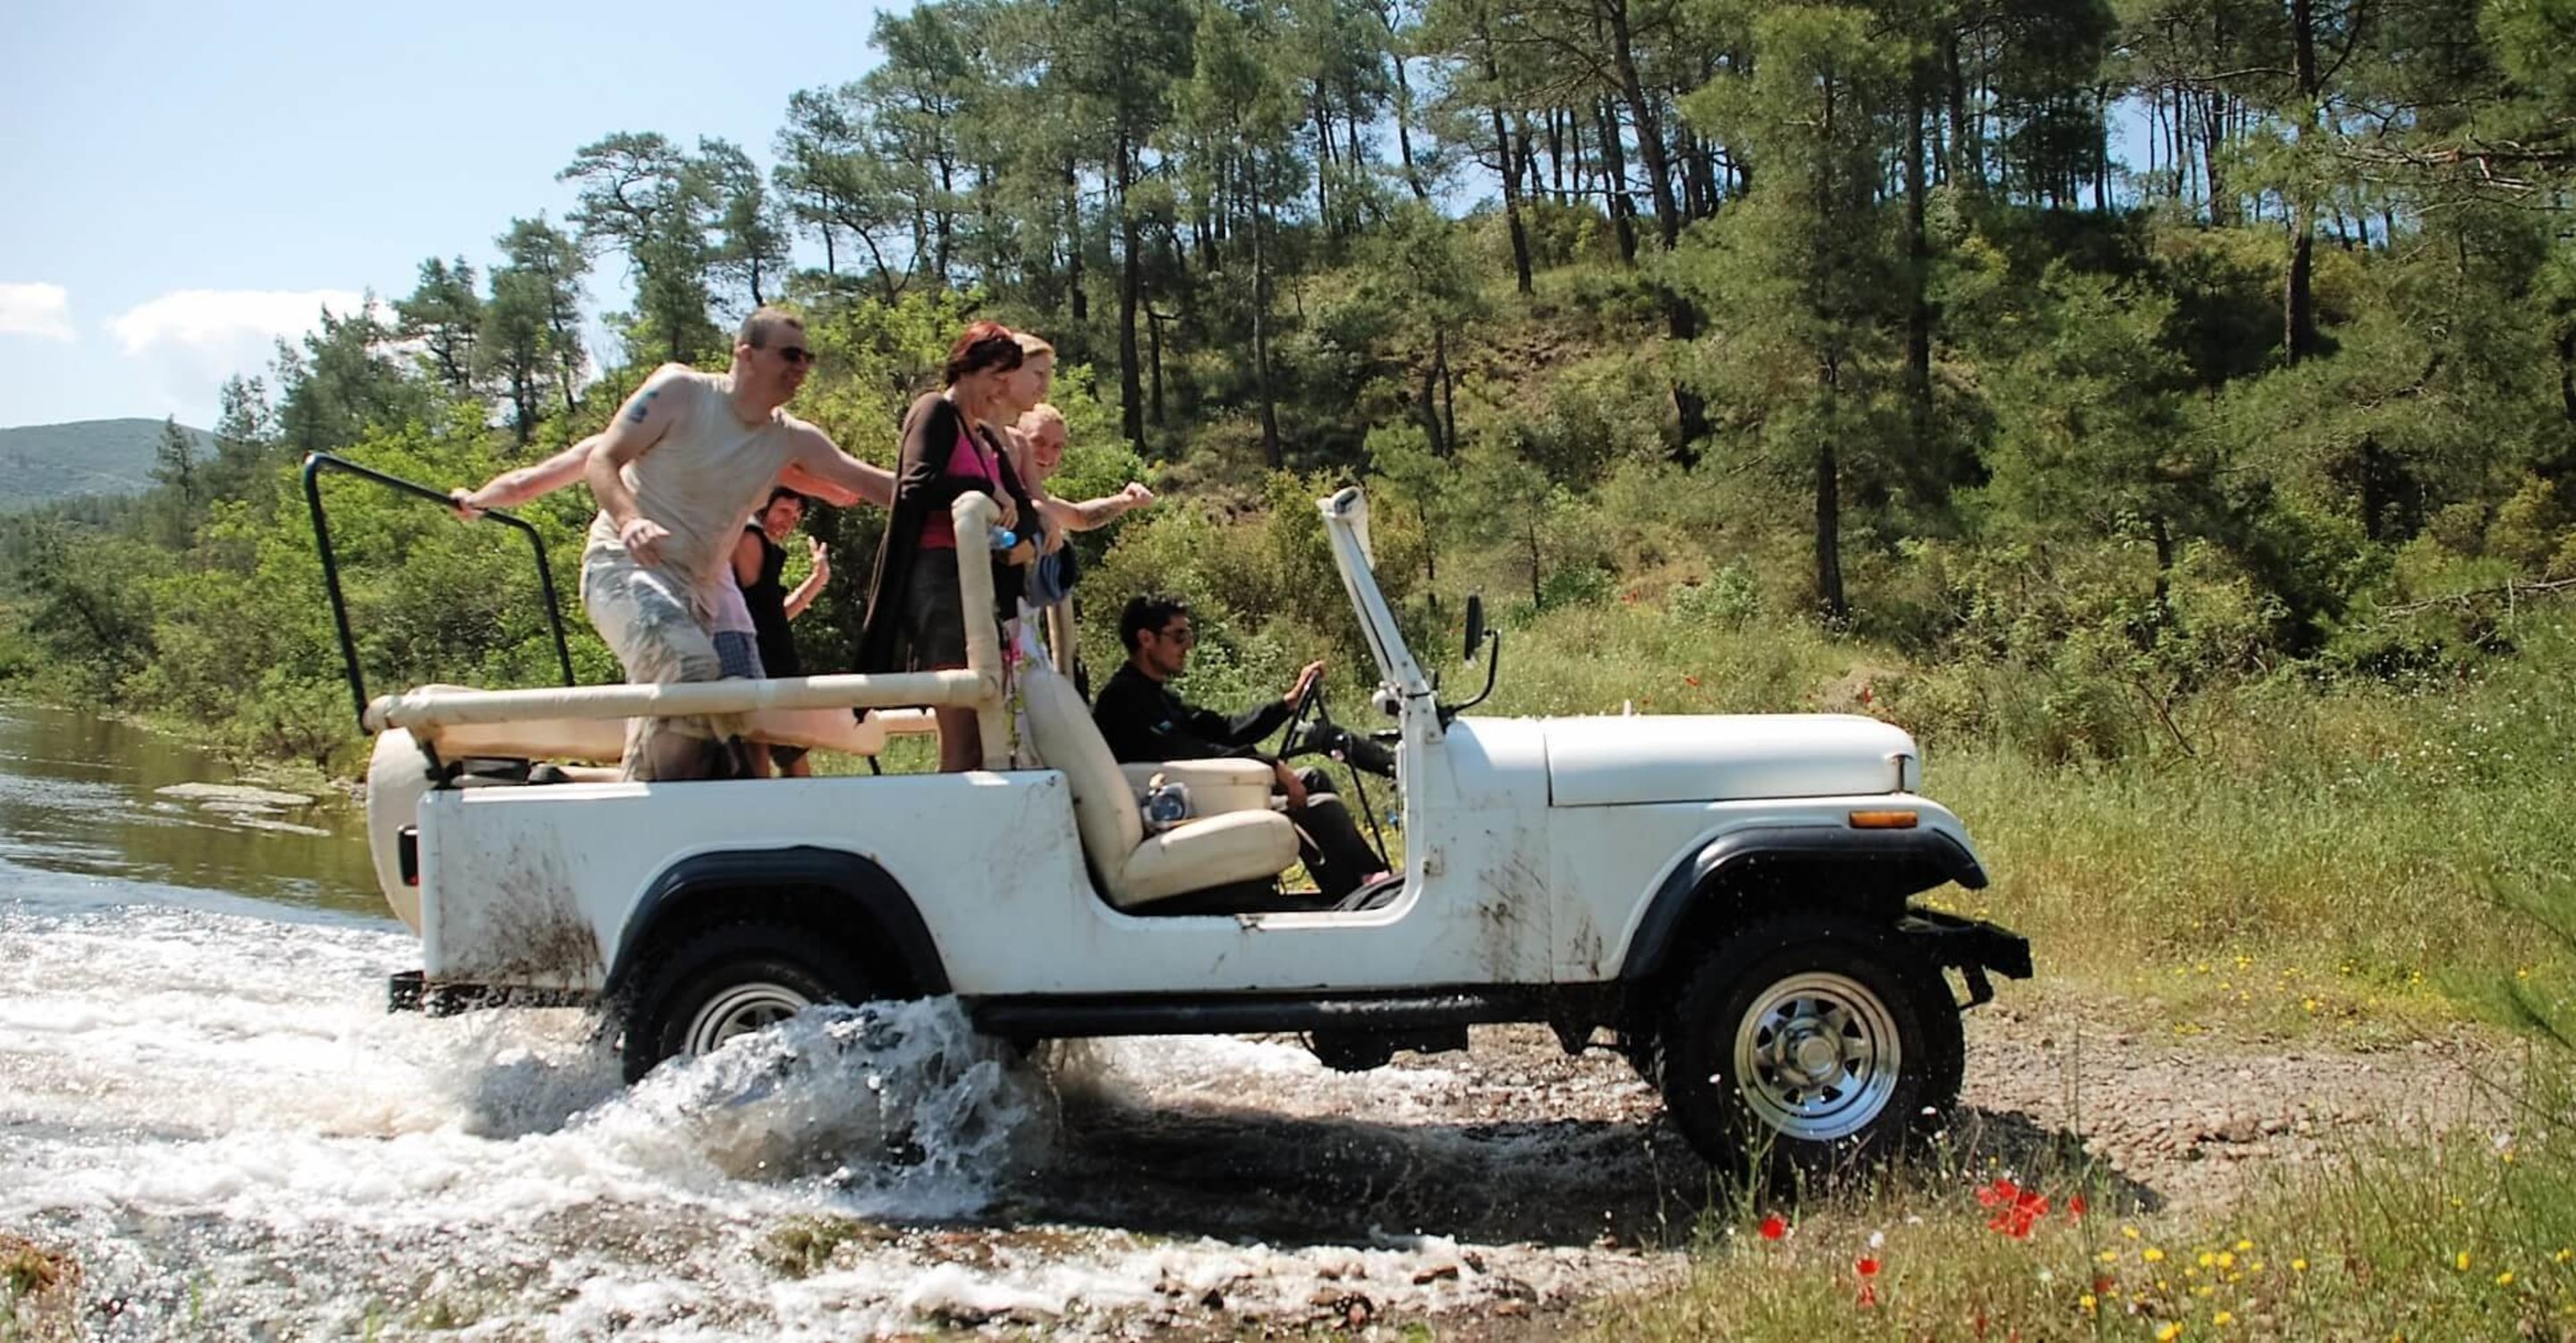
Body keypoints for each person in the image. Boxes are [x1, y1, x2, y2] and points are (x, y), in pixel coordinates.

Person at [582, 307, 894, 781]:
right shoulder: (681, 392)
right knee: (691, 670)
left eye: (808, 357)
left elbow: (877, 485)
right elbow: (602, 459)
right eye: (790, 354)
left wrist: (973, 494)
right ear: (745, 355)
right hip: (622, 568)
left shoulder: (791, 438)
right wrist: (629, 520)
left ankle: (641, 809)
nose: (802, 367)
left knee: (684, 711)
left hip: (695, 595)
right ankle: (675, 810)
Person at [1091, 595, 1385, 902]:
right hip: (1181, 810)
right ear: (1146, 639)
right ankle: (1366, 896)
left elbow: (1223, 729)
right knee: (1322, 807)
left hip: (1201, 792)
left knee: (1313, 779)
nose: (1188, 646)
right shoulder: (1124, 699)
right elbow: (1190, 752)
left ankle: (1359, 888)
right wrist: (1270, 765)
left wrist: (1288, 703)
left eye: (1188, 635)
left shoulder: (1157, 695)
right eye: (1179, 636)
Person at [855, 320, 1048, 773]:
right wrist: (983, 490)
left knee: (987, 733)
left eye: (1008, 381)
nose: (1002, 392)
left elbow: (1025, 508)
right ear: (966, 369)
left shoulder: (983, 437)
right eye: (995, 379)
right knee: (962, 729)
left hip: (982, 584)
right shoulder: (934, 412)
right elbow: (915, 487)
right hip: (937, 580)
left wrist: (1027, 537)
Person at [733, 486, 830, 776]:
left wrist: (817, 579)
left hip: (775, 670)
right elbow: (760, 620)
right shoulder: (747, 537)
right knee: (776, 767)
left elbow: (771, 617)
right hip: (758, 670)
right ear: (764, 504)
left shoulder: (766, 549)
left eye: (796, 516)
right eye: (784, 511)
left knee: (791, 761)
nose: (790, 521)